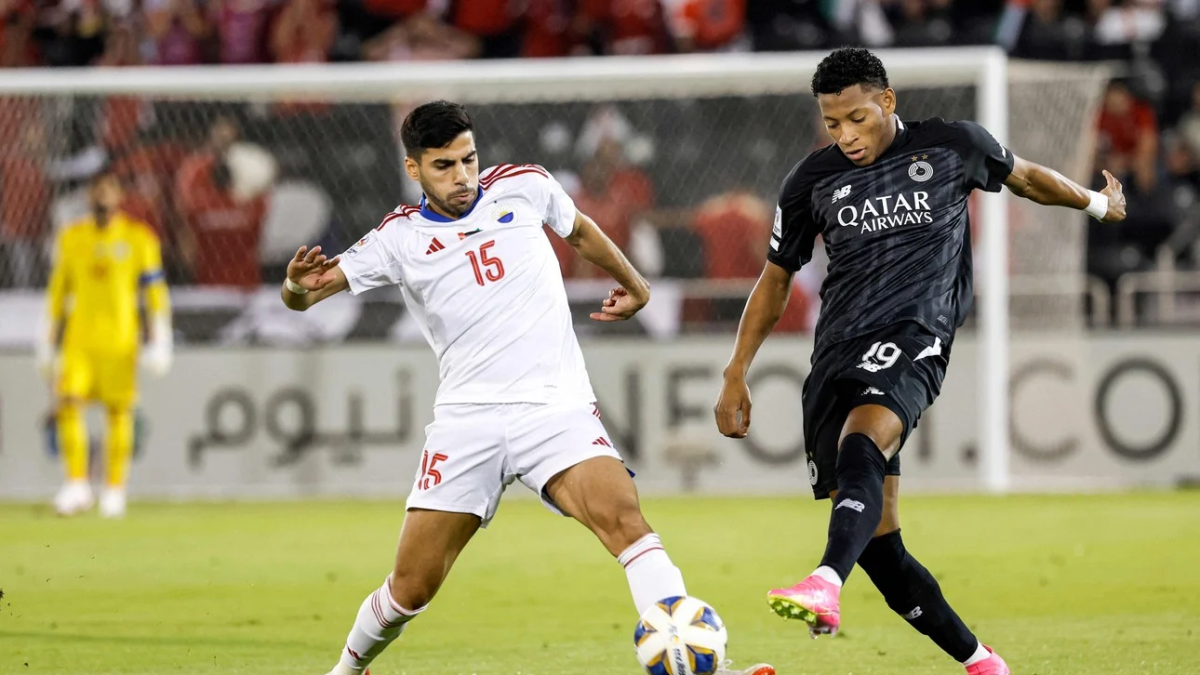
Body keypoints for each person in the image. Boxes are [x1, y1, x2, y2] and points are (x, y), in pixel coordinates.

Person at [281, 100, 773, 675]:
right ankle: (345, 671)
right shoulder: (397, 239)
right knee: (410, 589)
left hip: (554, 408)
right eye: (444, 166)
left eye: (469, 159)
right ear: (413, 169)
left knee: (626, 522)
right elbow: (309, 292)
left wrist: (634, 285)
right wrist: (294, 287)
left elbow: (582, 232)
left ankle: (699, 668)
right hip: (468, 420)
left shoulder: (525, 187)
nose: (462, 175)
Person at [713, 48, 1126, 675]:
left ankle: (825, 580)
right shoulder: (810, 181)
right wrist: (736, 368)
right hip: (837, 351)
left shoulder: (952, 146)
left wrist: (1096, 205)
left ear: (887, 101)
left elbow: (1027, 177)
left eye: (856, 117)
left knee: (863, 443)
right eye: (832, 123)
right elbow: (775, 280)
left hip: (916, 332)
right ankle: (982, 662)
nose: (845, 135)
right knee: (881, 549)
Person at [39, 166, 173, 518]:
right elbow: (58, 294)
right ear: (88, 195)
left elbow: (154, 292)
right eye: (96, 189)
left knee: (118, 413)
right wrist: (47, 342)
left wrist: (160, 339)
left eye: (108, 189)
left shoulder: (139, 238)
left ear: (119, 195)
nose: (102, 196)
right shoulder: (70, 237)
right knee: (68, 405)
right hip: (79, 341)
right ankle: (77, 485)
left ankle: (114, 490)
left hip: (120, 341)